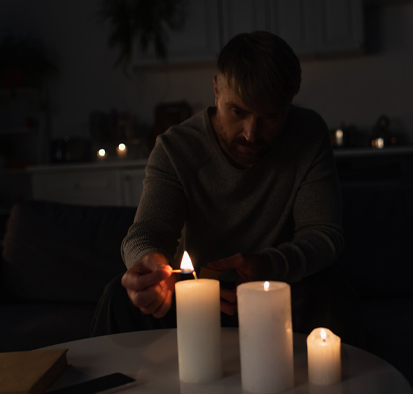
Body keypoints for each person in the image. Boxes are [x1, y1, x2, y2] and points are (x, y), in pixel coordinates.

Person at [92, 31, 364, 346]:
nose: (251, 133)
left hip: (274, 290)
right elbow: (145, 232)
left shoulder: (307, 135)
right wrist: (149, 267)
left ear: (289, 105)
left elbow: (323, 233)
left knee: (332, 292)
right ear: (217, 88)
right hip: (191, 297)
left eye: (270, 117)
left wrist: (269, 264)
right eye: (238, 112)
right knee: (118, 296)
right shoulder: (176, 148)